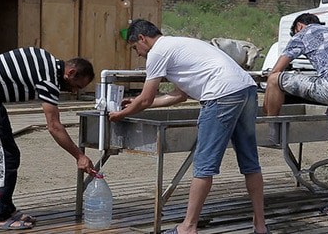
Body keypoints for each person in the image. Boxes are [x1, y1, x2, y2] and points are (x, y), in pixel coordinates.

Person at [109, 19, 268, 234]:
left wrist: (121, 113)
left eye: (135, 48)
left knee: (204, 165)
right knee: (250, 162)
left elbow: (146, 99)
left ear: (142, 39)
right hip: (246, 89)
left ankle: (188, 227)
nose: (138, 53)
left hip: (220, 94)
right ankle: (260, 227)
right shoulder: (178, 44)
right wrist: (135, 104)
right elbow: (179, 95)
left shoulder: (157, 52)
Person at [0, 47, 96, 230]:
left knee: (2, 154)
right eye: (76, 86)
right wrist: (79, 156)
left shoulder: (47, 60)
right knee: (4, 157)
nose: (73, 92)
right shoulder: (50, 78)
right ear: (70, 72)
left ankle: (5, 207)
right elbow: (54, 126)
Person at [263, 13, 328, 219]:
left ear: (299, 26)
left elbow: (277, 70)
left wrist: (268, 84)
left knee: (274, 80)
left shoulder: (303, 33)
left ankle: (270, 131)